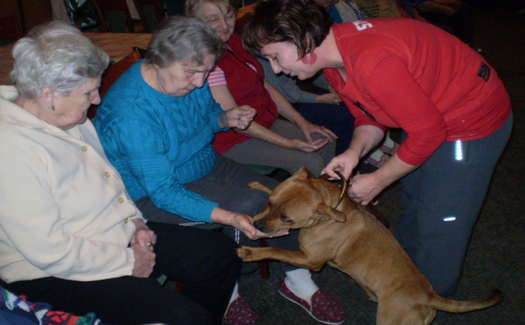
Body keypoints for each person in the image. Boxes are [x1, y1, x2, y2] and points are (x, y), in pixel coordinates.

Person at [242, 0, 513, 299]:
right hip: (430, 114)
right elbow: (369, 112)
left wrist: (379, 179)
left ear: (303, 41)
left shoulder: (372, 62)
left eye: (276, 58)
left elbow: (429, 132)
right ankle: (406, 271)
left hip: (470, 123)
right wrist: (353, 153)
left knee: (441, 219)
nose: (277, 70)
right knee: (416, 196)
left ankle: (424, 299)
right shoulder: (333, 57)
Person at [95, 16, 346, 325]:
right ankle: (228, 289)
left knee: (282, 199)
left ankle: (297, 279)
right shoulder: (131, 117)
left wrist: (225, 119)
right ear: (159, 59)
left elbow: (207, 114)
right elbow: (164, 193)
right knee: (247, 206)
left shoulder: (187, 77)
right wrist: (227, 216)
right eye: (191, 72)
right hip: (150, 195)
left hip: (203, 161)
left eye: (205, 72)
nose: (200, 83)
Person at [0, 21, 241, 325]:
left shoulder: (65, 115)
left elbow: (109, 178)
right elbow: (50, 251)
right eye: (89, 92)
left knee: (221, 254)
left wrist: (137, 222)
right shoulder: (11, 151)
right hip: (51, 271)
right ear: (50, 95)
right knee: (184, 317)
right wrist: (129, 261)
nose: (97, 101)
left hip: (113, 233)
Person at [186, 0, 337, 177]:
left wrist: (301, 121)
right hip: (232, 139)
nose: (225, 25)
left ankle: (331, 195)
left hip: (264, 120)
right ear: (196, 22)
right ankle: (316, 201)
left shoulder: (234, 42)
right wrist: (287, 143)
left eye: (229, 15)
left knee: (324, 140)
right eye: (213, 20)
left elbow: (263, 83)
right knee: (309, 161)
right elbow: (237, 123)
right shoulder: (206, 62)